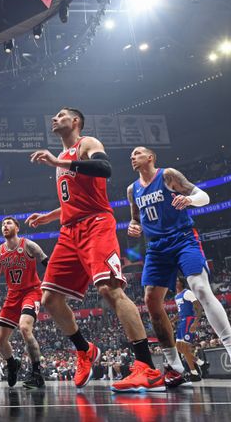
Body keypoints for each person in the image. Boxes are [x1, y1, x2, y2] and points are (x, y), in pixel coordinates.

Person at [27, 108, 163, 393]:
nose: (54, 118)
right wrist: (49, 217)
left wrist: (59, 162)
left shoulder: (87, 144)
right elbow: (74, 198)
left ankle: (147, 367)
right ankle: (85, 350)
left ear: (75, 122)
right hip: (68, 230)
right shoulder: (61, 159)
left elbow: (104, 168)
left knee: (109, 289)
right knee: (50, 299)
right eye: (52, 115)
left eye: (61, 114)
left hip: (96, 224)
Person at [127, 146, 231, 388]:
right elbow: (135, 217)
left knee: (202, 289)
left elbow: (204, 196)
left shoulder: (168, 175)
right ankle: (174, 367)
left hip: (183, 238)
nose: (132, 157)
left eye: (137, 153)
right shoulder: (132, 189)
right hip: (156, 247)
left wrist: (189, 199)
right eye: (131, 155)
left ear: (150, 157)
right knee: (151, 301)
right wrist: (134, 226)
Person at [0, 217, 47, 389]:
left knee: (24, 328)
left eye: (8, 223)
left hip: (31, 291)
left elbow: (48, 262)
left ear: (17, 227)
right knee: (0, 340)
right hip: (13, 296)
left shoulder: (29, 245)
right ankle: (12, 364)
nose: (5, 226)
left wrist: (52, 283)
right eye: (2, 224)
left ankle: (37, 373)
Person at [174, 278, 202, 382]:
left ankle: (194, 373)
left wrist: (195, 322)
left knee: (185, 348)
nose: (175, 282)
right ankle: (200, 363)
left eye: (177, 281)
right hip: (181, 321)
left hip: (189, 320)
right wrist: (171, 320)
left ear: (181, 283)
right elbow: (179, 312)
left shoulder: (187, 292)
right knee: (179, 348)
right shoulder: (176, 296)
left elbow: (198, 307)